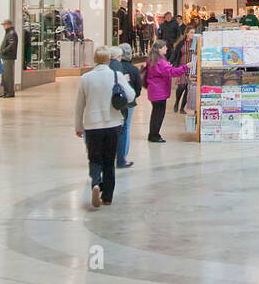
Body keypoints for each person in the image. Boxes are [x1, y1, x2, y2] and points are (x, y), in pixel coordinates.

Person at [74, 46, 135, 207]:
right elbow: (131, 95)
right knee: (109, 160)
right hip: (112, 124)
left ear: (95, 59)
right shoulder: (116, 75)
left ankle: (95, 182)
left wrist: (78, 126)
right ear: (109, 60)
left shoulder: (85, 78)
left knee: (94, 158)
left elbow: (79, 105)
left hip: (92, 125)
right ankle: (107, 197)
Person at [144, 39, 187, 142]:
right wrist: (185, 67)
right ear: (159, 49)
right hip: (159, 92)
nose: (166, 48)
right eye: (164, 47)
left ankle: (153, 134)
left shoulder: (152, 60)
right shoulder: (160, 61)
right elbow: (171, 72)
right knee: (158, 114)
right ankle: (154, 135)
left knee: (155, 113)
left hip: (154, 91)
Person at [111, 44, 143, 168]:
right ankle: (122, 156)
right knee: (125, 128)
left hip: (114, 102)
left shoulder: (111, 68)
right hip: (128, 103)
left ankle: (114, 154)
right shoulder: (133, 69)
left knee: (115, 127)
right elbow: (137, 89)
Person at [0, 19, 19, 98]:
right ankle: (6, 92)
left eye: (4, 25)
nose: (3, 26)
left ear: (8, 25)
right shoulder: (9, 33)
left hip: (8, 57)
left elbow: (11, 45)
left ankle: (9, 92)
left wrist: (3, 51)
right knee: (5, 76)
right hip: (6, 56)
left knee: (8, 76)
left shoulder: (11, 33)